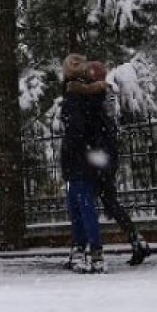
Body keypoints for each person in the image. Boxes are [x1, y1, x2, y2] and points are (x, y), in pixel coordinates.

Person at [85, 60, 151, 267]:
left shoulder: (95, 101)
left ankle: (87, 249)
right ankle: (136, 239)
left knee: (91, 204)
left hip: (100, 159)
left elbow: (96, 131)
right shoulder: (105, 98)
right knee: (109, 203)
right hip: (107, 157)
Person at [60, 53, 111, 274]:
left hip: (78, 159)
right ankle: (82, 250)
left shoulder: (74, 97)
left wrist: (74, 151)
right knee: (80, 206)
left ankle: (91, 250)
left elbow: (75, 131)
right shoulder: (91, 96)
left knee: (81, 207)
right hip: (88, 157)